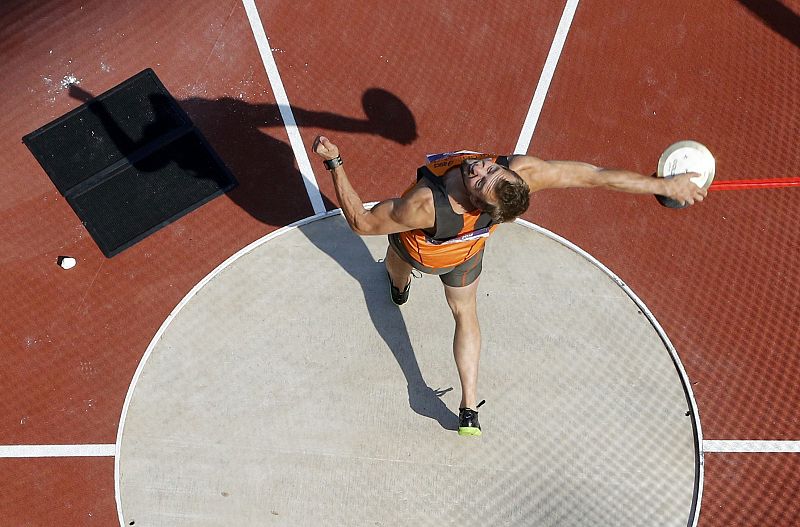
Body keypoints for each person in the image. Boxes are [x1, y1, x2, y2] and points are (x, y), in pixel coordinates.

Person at [312, 135, 706, 436]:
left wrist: (335, 162)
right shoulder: (522, 176)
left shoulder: (425, 205)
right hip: (467, 252)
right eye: (490, 170)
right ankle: (469, 408)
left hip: (423, 252)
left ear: (479, 203)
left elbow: (361, 223)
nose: (479, 169)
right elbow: (594, 176)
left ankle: (399, 290)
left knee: (394, 266)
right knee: (464, 313)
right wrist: (662, 187)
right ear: (513, 176)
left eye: (481, 180)